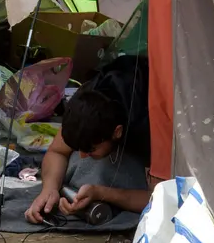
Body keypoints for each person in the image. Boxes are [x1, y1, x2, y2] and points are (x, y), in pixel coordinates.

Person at [25, 54, 151, 223]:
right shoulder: (85, 103)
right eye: (79, 148)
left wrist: (102, 193)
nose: (83, 155)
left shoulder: (149, 127)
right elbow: (57, 151)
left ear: (117, 132)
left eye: (90, 148)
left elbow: (160, 198)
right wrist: (49, 189)